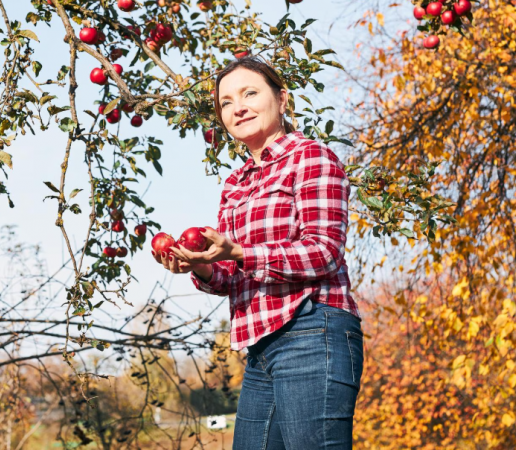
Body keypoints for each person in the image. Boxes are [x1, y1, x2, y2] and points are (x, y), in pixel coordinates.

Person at [153, 57, 364, 449]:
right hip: (260, 346)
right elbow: (235, 275)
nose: (239, 107)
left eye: (250, 93)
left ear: (282, 99)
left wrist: (237, 251)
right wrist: (200, 267)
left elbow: (324, 252)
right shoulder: (235, 184)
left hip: (311, 329)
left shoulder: (311, 157)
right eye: (227, 102)